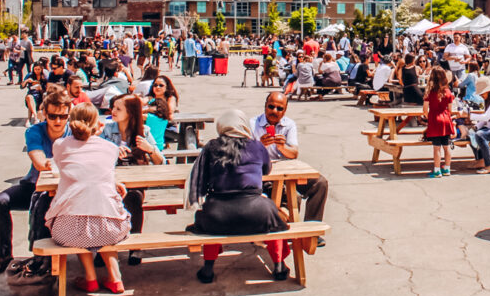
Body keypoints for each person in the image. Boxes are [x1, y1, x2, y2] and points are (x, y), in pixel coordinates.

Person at [185, 110, 291, 283]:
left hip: (218, 215)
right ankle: (279, 264)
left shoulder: (211, 147)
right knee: (273, 214)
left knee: (210, 213)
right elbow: (266, 170)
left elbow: (204, 179)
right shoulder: (257, 146)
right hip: (256, 212)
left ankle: (208, 268)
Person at [0, 90, 72, 276]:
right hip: (34, 185)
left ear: (68, 115)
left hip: (66, 191)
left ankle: (41, 258)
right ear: (44, 113)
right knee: (0, 201)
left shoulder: (74, 131)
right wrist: (50, 163)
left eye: (63, 116)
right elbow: (38, 159)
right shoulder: (35, 131)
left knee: (43, 202)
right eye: (53, 116)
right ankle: (4, 256)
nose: (58, 121)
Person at [45, 102, 131, 293]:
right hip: (112, 228)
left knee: (81, 221)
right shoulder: (110, 148)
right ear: (97, 123)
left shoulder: (59, 145)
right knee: (99, 222)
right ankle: (115, 278)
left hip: (68, 230)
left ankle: (90, 278)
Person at [249, 93, 329, 240]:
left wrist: (282, 147)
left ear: (285, 110)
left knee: (320, 183)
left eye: (279, 108)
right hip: (264, 172)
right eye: (271, 107)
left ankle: (312, 231)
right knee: (292, 197)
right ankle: (288, 232)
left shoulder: (289, 124)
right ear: (265, 106)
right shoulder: (253, 124)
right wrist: (260, 146)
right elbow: (245, 155)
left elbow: (294, 153)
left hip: (287, 168)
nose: (274, 111)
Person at [102, 94, 163, 265]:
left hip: (137, 181)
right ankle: (105, 247)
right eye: (113, 107)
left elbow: (161, 162)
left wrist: (150, 149)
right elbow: (96, 156)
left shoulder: (144, 131)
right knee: (106, 199)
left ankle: (135, 245)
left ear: (130, 112)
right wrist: (113, 152)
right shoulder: (107, 130)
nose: (113, 111)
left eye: (118, 108)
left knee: (134, 197)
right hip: (111, 180)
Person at [423, 67, 456, 178]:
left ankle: (437, 170)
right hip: (446, 119)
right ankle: (447, 168)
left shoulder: (429, 92)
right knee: (446, 146)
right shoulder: (448, 92)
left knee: (436, 148)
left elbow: (425, 110)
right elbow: (450, 110)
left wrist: (428, 116)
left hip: (435, 120)